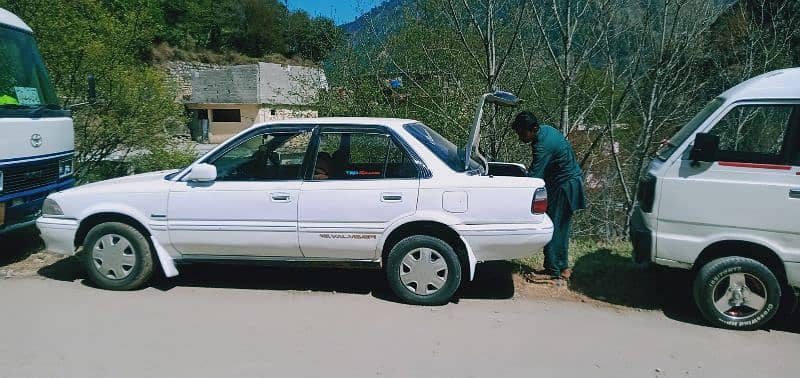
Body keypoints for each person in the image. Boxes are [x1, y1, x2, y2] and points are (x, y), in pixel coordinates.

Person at [511, 111, 586, 281]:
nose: (520, 137)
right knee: (561, 228)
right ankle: (563, 267)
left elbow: (535, 178)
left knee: (552, 226)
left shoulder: (542, 145)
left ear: (534, 129)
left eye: (522, 132)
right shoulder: (546, 131)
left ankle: (553, 270)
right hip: (569, 183)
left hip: (564, 186)